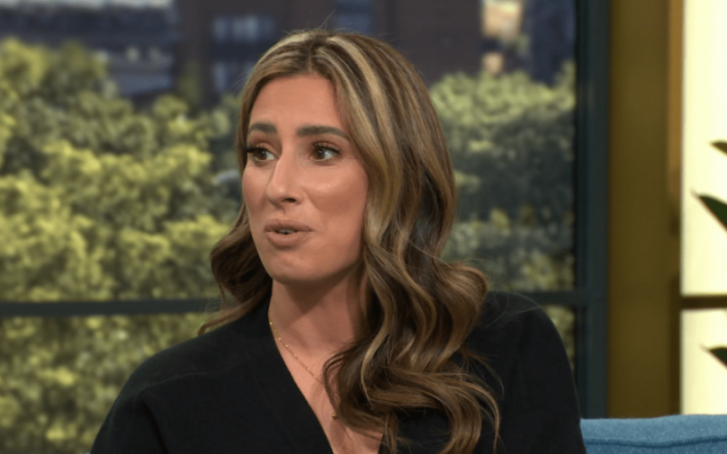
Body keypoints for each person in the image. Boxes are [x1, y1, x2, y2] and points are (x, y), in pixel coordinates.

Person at [90, 29, 586, 454]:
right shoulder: (168, 402)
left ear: (399, 173)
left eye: (322, 151)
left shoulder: (507, 344)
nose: (277, 186)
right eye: (260, 152)